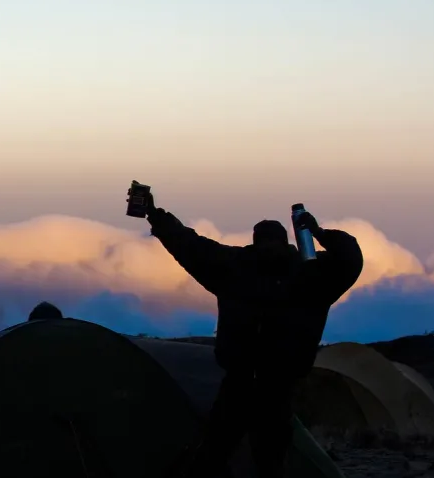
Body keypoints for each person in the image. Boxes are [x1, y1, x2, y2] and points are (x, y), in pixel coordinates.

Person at [141, 193, 363, 478]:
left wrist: (154, 214)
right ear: (287, 239)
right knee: (270, 459)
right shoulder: (312, 275)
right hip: (280, 385)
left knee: (214, 452)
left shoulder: (232, 266)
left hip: (239, 381)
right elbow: (350, 258)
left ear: (255, 239)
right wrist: (319, 233)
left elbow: (186, 243)